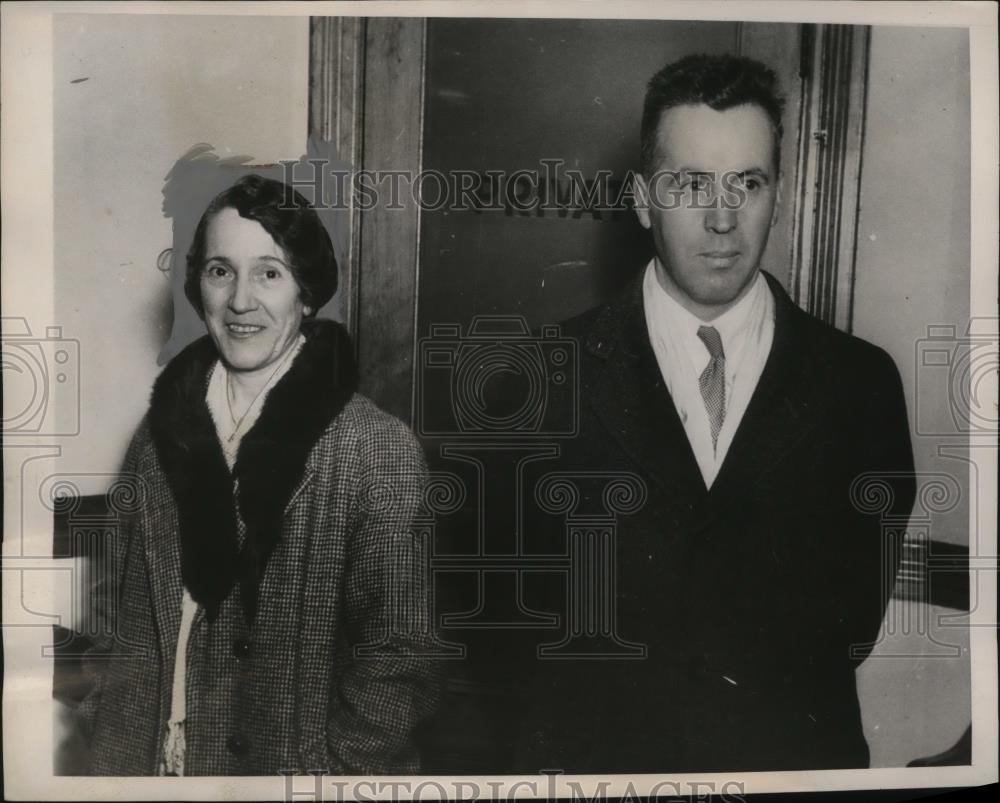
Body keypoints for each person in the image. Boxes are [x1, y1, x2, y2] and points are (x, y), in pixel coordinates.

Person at [512, 54, 916, 773]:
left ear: (779, 196)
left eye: (747, 183)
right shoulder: (541, 380)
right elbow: (510, 638)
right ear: (642, 199)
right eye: (691, 182)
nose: (723, 217)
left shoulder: (860, 386)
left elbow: (847, 629)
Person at [76, 174, 440, 775]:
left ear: (307, 291)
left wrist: (331, 776)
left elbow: (401, 661)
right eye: (221, 271)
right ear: (198, 285)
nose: (241, 300)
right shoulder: (155, 437)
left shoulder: (376, 451)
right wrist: (105, 724)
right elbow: (110, 608)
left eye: (269, 272)